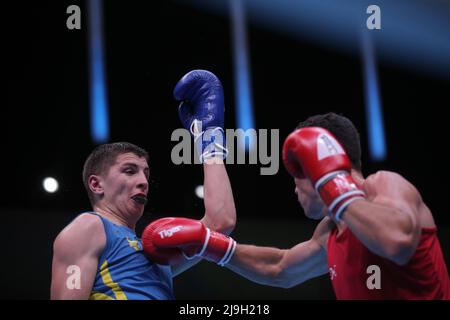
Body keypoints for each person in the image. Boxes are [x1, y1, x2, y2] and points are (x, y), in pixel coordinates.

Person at [145, 112, 450, 299]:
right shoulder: (331, 230)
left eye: (296, 171)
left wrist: (331, 182)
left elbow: (396, 242)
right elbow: (280, 268)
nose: (293, 186)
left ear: (319, 162)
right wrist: (209, 244)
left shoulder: (385, 184)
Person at [50, 70, 236, 300]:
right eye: (129, 171)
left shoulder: (154, 251)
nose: (143, 182)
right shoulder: (88, 227)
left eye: (146, 174)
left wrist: (209, 139)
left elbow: (220, 224)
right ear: (96, 184)